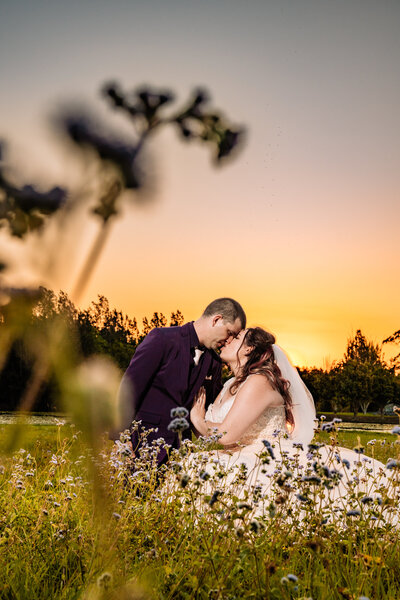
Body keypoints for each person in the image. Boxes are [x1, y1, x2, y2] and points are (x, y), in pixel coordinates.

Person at [188, 327, 398, 524]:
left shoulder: (259, 381)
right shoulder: (229, 385)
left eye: (236, 337)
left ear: (249, 348)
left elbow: (225, 435)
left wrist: (199, 420)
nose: (227, 339)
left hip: (264, 457)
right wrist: (201, 423)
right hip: (236, 455)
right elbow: (212, 435)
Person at [117, 298, 246, 464]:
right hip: (141, 446)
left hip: (181, 454)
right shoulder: (162, 339)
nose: (228, 341)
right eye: (230, 333)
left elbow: (213, 406)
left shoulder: (214, 362)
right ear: (216, 320)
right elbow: (129, 389)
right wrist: (121, 440)